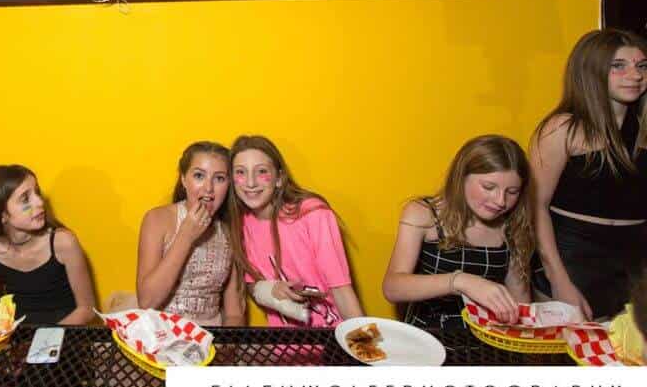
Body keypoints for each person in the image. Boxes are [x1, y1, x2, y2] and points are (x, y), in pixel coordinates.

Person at [530, 29, 647, 320]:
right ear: (591, 69)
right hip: (572, 258)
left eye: (642, 66)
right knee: (565, 362)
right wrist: (558, 278)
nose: (635, 75)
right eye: (618, 65)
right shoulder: (562, 129)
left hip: (635, 264)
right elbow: (535, 206)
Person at [383, 135, 533, 329]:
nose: (500, 201)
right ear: (461, 177)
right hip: (428, 336)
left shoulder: (513, 225)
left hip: (487, 340)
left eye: (512, 192)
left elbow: (521, 306)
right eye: (489, 187)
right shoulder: (424, 214)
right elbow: (392, 288)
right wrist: (459, 281)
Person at [228, 135, 362, 327]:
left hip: (332, 339)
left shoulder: (313, 214)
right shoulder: (239, 224)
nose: (250, 183)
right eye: (241, 172)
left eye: (262, 171)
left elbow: (342, 290)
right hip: (285, 346)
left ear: (279, 179)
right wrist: (269, 290)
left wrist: (364, 347)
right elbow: (250, 284)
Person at [0, 165, 96, 325]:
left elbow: (87, 310)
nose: (40, 202)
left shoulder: (63, 242)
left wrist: (43, 340)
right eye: (25, 199)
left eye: (37, 193)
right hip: (20, 339)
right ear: (2, 215)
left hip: (67, 335)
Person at [136, 141, 245, 325]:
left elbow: (234, 313)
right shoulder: (157, 219)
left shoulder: (229, 229)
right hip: (161, 331)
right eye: (199, 176)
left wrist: (225, 349)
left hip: (211, 336)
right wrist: (186, 235)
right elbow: (147, 302)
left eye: (219, 178)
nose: (208, 188)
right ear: (184, 179)